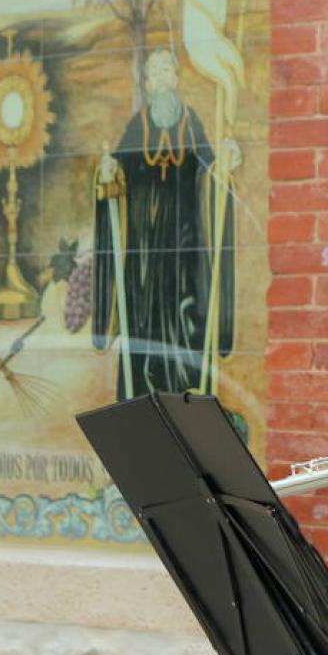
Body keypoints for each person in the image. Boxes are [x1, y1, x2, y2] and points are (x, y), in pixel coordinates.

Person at [91, 47, 240, 400]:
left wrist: (226, 161)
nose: (160, 79)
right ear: (147, 83)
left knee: (184, 319)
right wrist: (108, 172)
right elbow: (116, 170)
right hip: (144, 246)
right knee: (143, 320)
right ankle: (141, 392)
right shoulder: (137, 125)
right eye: (154, 73)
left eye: (165, 72)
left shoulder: (192, 122)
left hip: (184, 243)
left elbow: (211, 167)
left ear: (175, 78)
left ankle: (183, 391)